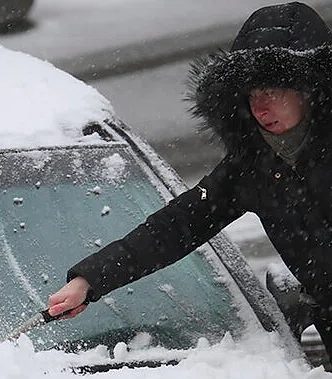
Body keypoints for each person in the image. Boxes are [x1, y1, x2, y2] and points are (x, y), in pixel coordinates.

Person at [47, 1, 332, 360]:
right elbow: (173, 228)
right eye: (252, 94)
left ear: (309, 89)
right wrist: (89, 282)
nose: (260, 107)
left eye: (273, 91)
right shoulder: (254, 166)